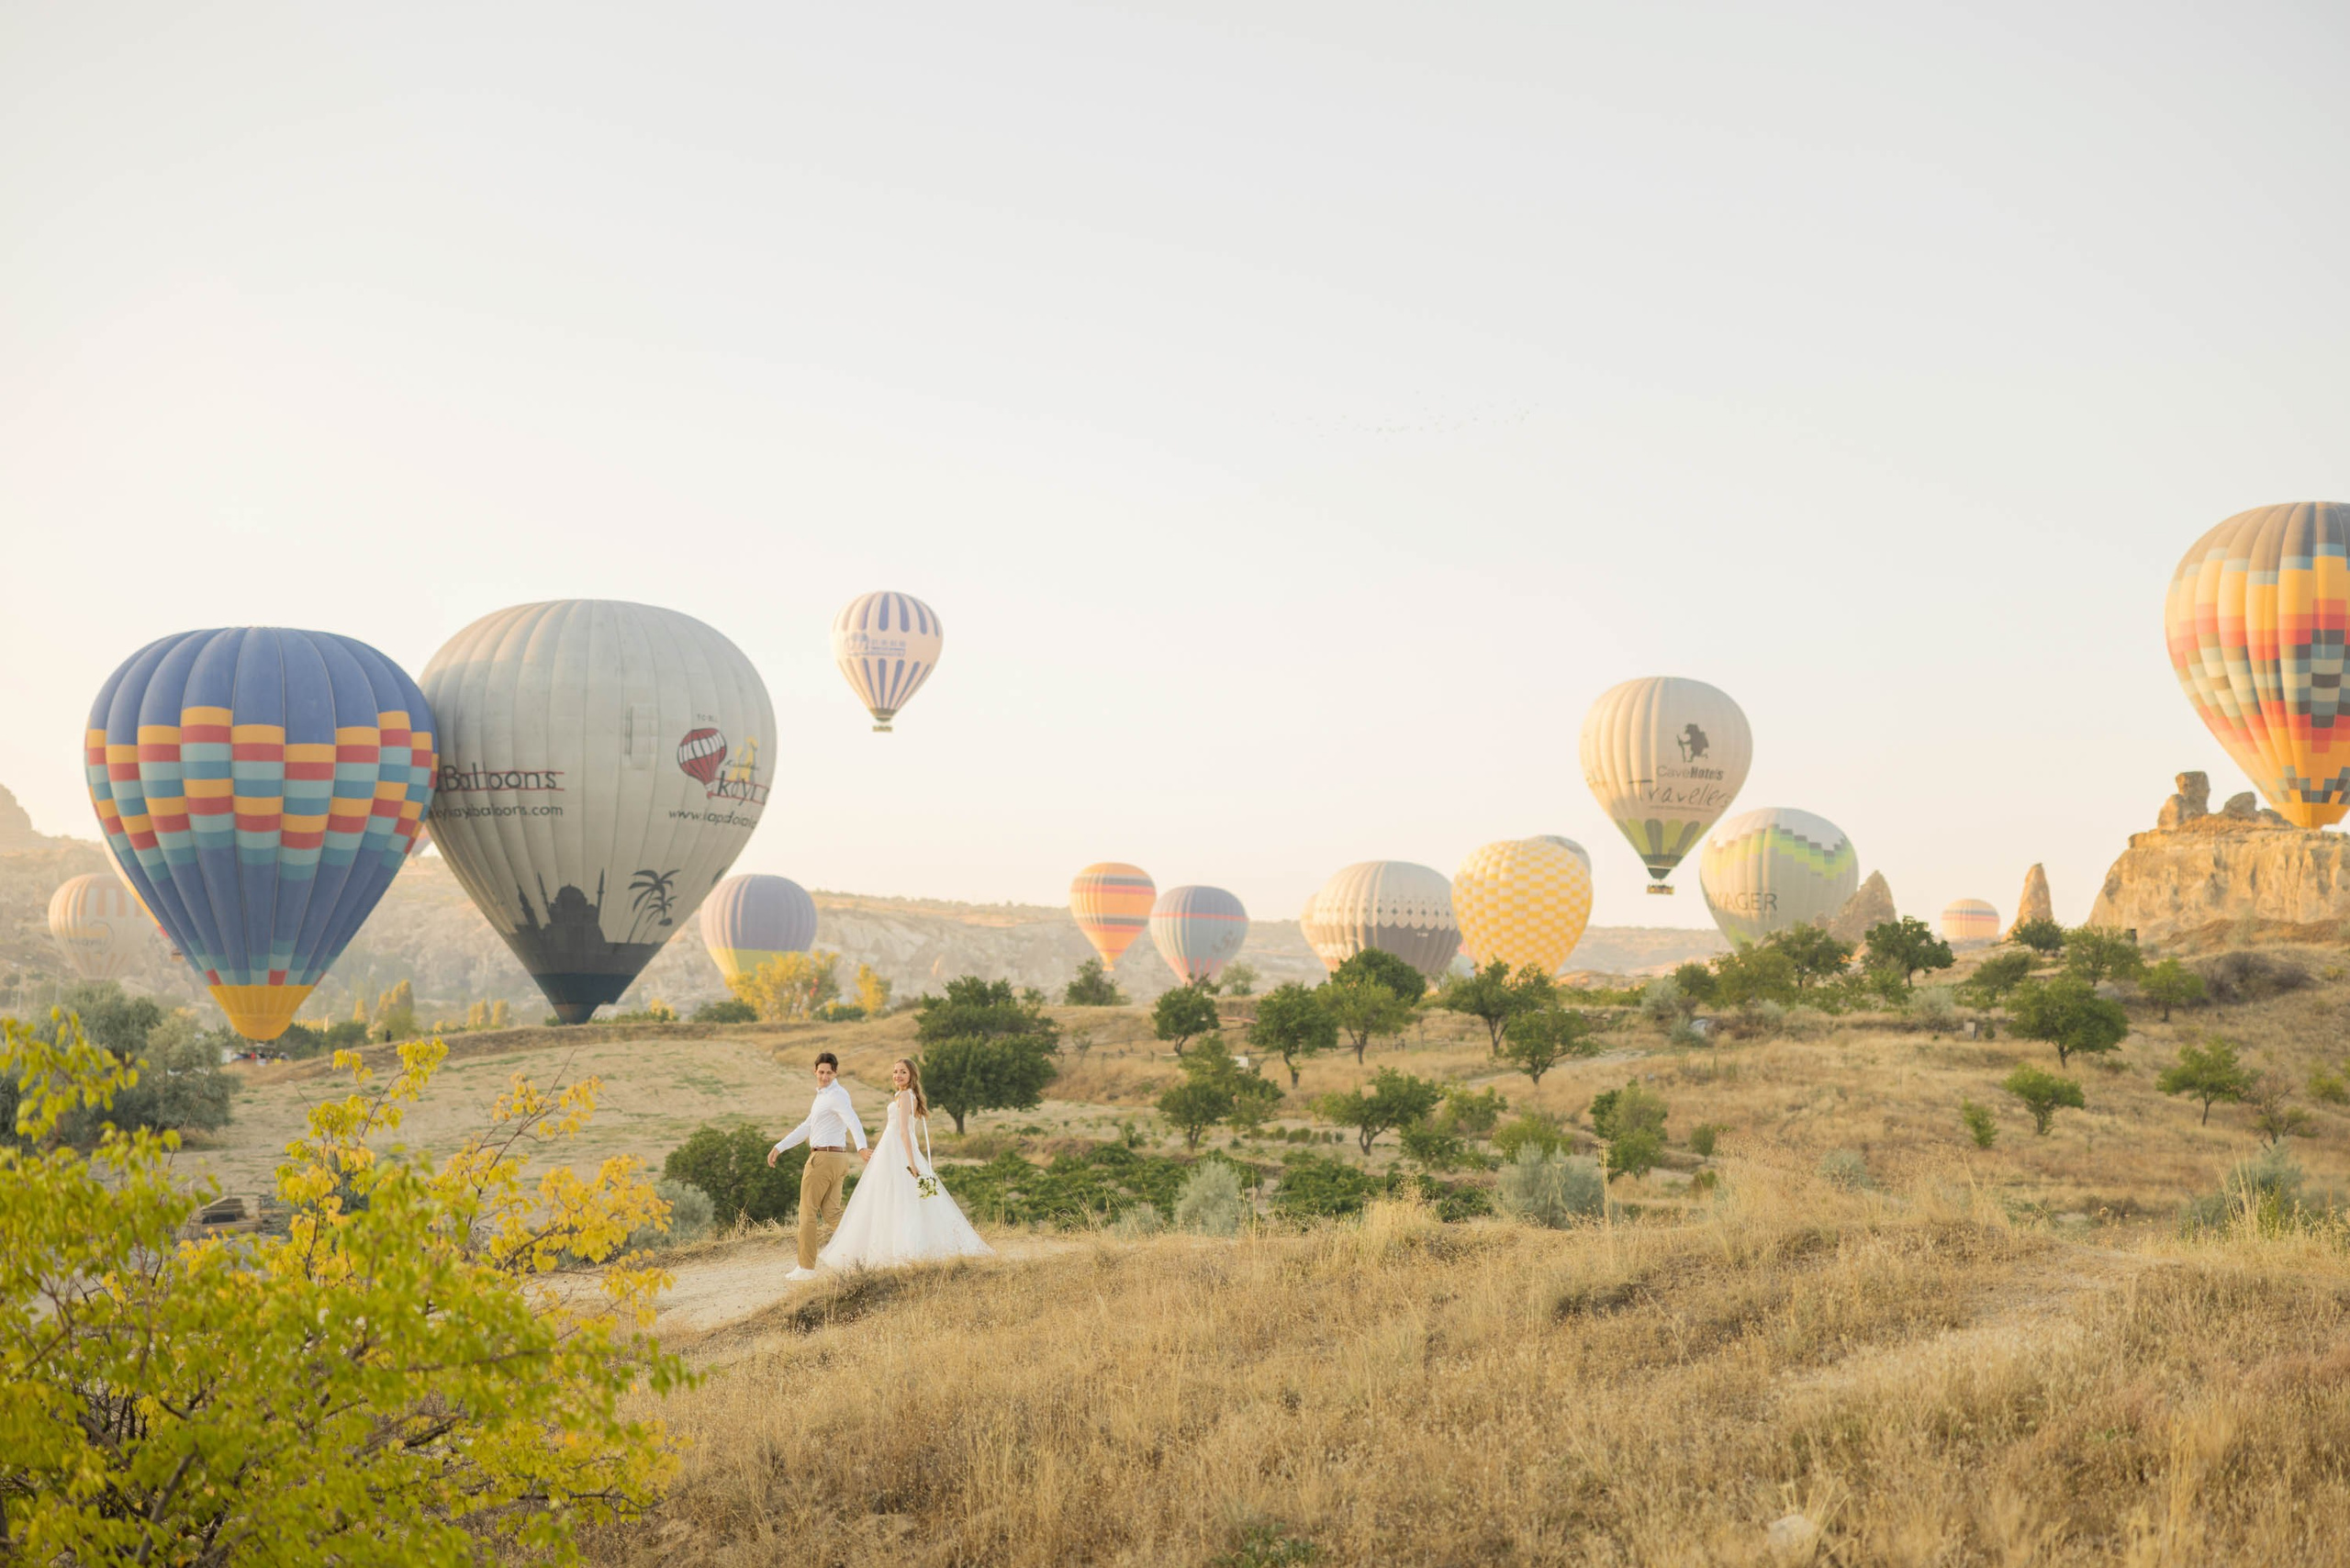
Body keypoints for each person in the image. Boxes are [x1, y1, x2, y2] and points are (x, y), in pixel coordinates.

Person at [819, 1057, 990, 1271]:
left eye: (903, 1072)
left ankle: (906, 1248)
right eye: (895, 1071)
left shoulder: (907, 1096)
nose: (897, 1075)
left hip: (898, 1151)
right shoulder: (901, 1095)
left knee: (902, 1196)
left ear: (911, 1076)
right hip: (889, 1149)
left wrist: (911, 1162)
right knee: (889, 1196)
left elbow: (903, 1131)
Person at [767, 1051, 869, 1282]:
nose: (824, 1076)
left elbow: (852, 1120)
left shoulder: (836, 1095)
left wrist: (862, 1147)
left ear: (836, 1073)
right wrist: (780, 1147)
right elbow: (807, 1126)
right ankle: (866, 1250)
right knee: (832, 1213)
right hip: (838, 1159)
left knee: (807, 1212)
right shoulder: (825, 1096)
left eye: (828, 1073)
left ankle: (806, 1268)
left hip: (822, 1159)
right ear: (815, 1071)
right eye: (821, 1072)